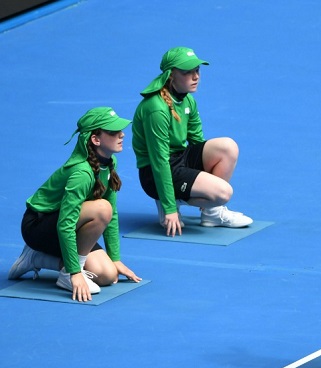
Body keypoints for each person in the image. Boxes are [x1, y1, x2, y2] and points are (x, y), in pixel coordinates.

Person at [7, 107, 142, 302]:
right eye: (113, 132)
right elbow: (66, 224)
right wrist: (73, 272)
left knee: (107, 275)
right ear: (96, 140)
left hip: (67, 223)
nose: (121, 135)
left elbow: (112, 218)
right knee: (102, 208)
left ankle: (36, 258)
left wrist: (115, 259)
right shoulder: (82, 173)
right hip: (38, 226)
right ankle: (63, 270)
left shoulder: (109, 162)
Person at [132, 46, 253, 237]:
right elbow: (160, 160)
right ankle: (168, 199)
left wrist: (202, 178)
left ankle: (212, 213)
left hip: (180, 159)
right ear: (171, 76)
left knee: (227, 147)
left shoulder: (188, 101)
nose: (195, 76)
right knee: (223, 194)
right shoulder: (155, 109)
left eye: (197, 71)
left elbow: (198, 143)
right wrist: (169, 207)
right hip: (156, 173)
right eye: (187, 72)